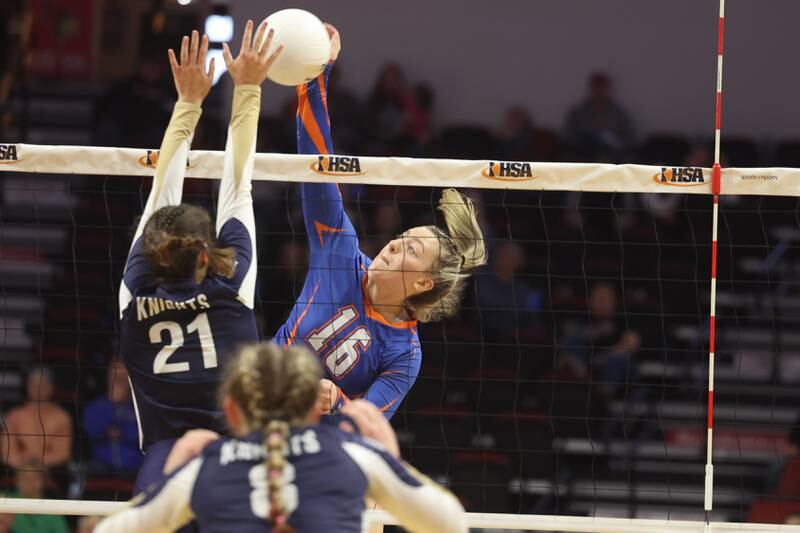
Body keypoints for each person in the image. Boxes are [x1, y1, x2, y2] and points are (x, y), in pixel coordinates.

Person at [274, 26, 487, 419]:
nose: (392, 245)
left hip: (314, 444)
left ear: (423, 283)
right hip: (260, 398)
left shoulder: (403, 355)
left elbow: (365, 429)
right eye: (402, 238)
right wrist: (315, 77)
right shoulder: (339, 250)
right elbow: (318, 165)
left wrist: (338, 402)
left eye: (411, 249)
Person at [117, 24, 282, 492]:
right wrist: (247, 88)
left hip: (164, 466)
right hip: (235, 460)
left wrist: (188, 103)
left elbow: (159, 194)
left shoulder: (135, 295)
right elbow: (238, 184)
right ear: (207, 255)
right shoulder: (233, 287)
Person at [94, 342, 467, 533]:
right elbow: (451, 523)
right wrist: (388, 457)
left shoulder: (205, 466)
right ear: (312, 409)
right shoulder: (354, 456)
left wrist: (169, 475)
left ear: (231, 410)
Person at [0, 366, 72, 469]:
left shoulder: (62, 417)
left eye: (42, 384)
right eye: (33, 384)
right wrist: (27, 467)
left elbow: (62, 454)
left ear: (51, 387)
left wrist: (35, 464)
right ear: (27, 386)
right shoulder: (14, 416)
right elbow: (7, 454)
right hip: (18, 474)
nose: (37, 388)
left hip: (50, 475)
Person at [83, 358, 142, 472]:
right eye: (117, 376)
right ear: (108, 377)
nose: (120, 380)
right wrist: (113, 402)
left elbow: (142, 435)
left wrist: (122, 432)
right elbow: (91, 430)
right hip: (101, 465)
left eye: (124, 376)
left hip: (135, 466)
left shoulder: (138, 408)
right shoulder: (97, 405)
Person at [2, 460, 69, 533]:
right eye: (24, 477)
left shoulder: (53, 510)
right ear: (17, 480)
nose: (29, 481)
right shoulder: (4, 501)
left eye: (35, 477)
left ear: (43, 481)